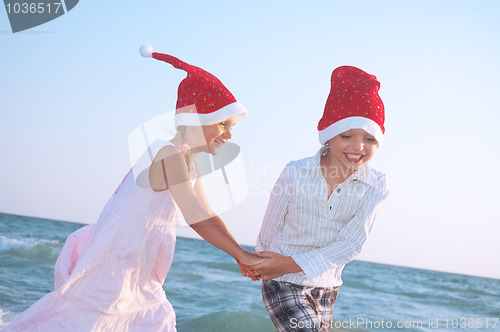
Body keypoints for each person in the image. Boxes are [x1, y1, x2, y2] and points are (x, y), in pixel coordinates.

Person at [2, 44, 263, 332]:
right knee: (95, 322)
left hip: (135, 272)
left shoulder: (189, 161)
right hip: (113, 266)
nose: (229, 134)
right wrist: (241, 255)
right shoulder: (170, 154)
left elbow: (206, 211)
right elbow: (195, 215)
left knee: (149, 321)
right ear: (196, 118)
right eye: (223, 124)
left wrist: (240, 252)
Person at [251, 66, 389, 332]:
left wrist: (286, 264)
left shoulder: (376, 184)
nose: (358, 147)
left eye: (369, 138)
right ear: (329, 135)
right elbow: (270, 226)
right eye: (346, 135)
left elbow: (351, 244)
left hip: (326, 286)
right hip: (282, 280)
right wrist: (263, 263)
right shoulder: (295, 172)